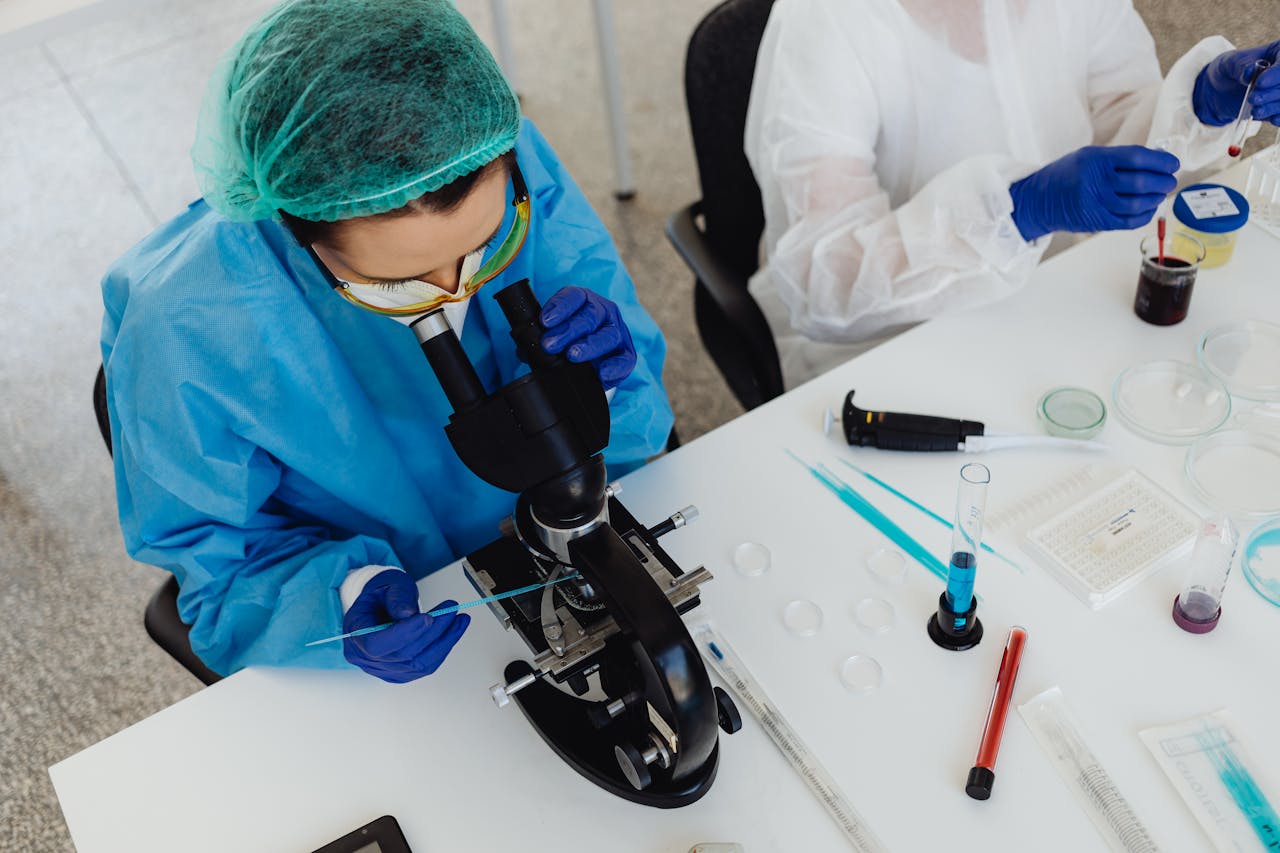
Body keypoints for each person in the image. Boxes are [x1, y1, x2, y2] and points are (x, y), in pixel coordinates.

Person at [99, 0, 674, 683]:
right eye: (402, 280)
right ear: (296, 229)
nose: (457, 292)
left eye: (484, 248)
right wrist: (336, 600)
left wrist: (604, 378)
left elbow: (639, 414)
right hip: (418, 602)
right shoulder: (183, 324)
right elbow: (215, 564)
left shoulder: (495, 155)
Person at [746, 0, 1280, 387]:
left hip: (1065, 290)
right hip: (901, 335)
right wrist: (1013, 210)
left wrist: (1198, 103)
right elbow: (825, 277)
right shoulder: (826, 21)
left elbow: (1122, 117)